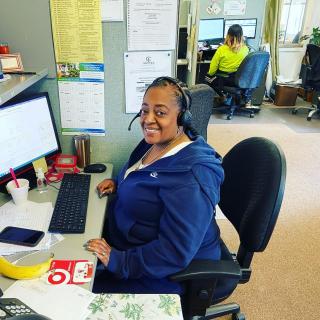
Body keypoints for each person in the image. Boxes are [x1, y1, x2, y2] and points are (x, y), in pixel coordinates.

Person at [85, 76, 224, 294]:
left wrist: (120, 261)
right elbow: (148, 178)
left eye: (160, 112)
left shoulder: (190, 177)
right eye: (144, 110)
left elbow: (174, 251)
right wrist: (120, 184)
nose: (148, 119)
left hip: (165, 270)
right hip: (134, 245)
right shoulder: (156, 143)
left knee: (81, 292)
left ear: (181, 118)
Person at [206, 24, 249, 103]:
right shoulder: (246, 49)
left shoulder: (222, 49)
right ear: (241, 36)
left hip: (225, 79)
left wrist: (210, 74)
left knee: (207, 78)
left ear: (228, 35)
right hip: (240, 80)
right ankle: (231, 97)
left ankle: (223, 96)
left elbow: (212, 69)